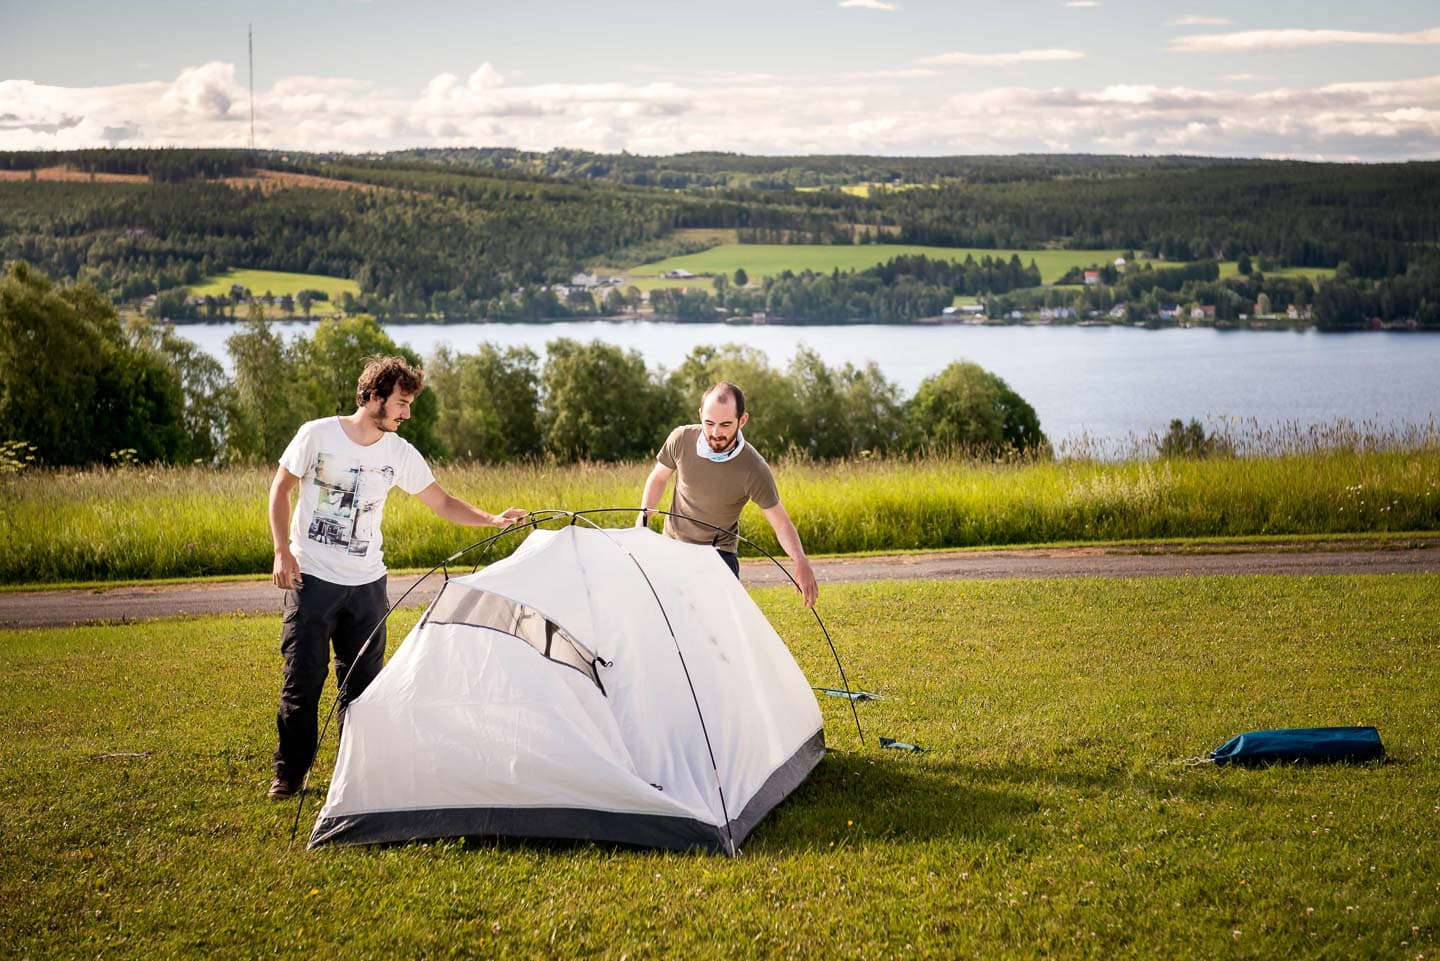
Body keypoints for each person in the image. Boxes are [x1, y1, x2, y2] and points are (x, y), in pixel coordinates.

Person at [266, 355, 526, 799]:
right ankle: (289, 775)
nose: (406, 413)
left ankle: (355, 773)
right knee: (302, 681)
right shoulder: (317, 435)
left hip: (368, 586)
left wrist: (492, 519)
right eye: (401, 403)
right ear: (373, 397)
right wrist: (281, 551)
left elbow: (442, 502)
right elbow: (281, 488)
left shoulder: (399, 453)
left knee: (363, 687)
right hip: (313, 580)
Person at [638, 381, 818, 608]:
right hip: (672, 545)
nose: (715, 433)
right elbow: (658, 478)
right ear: (700, 414)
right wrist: (642, 521)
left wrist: (800, 560)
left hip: (719, 553)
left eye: (725, 424)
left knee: (719, 624)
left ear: (742, 420)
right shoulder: (681, 439)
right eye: (709, 423)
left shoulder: (754, 468)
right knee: (664, 615)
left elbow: (781, 523)